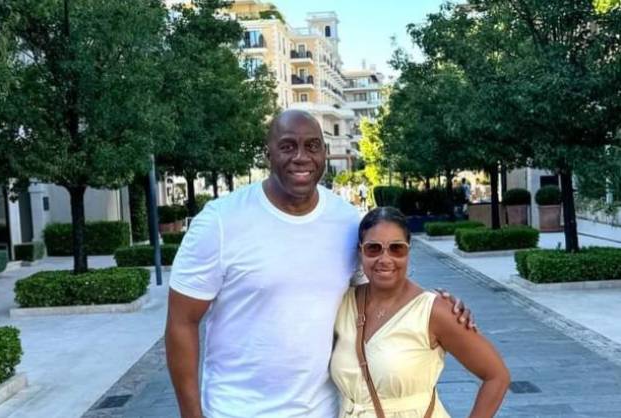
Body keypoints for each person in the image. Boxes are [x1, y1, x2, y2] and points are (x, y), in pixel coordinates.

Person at [165, 110, 474, 418]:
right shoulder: (220, 222)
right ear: (267, 154)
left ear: (325, 153)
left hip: (324, 410)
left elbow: (377, 294)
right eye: (288, 146)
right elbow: (181, 322)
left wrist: (436, 305)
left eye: (312, 146)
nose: (301, 157)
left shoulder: (346, 220)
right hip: (235, 410)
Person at [331, 207, 510, 418]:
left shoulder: (434, 311)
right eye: (373, 248)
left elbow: (497, 376)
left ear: (408, 251)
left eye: (396, 248)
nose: (385, 259)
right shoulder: (342, 304)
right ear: (360, 251)